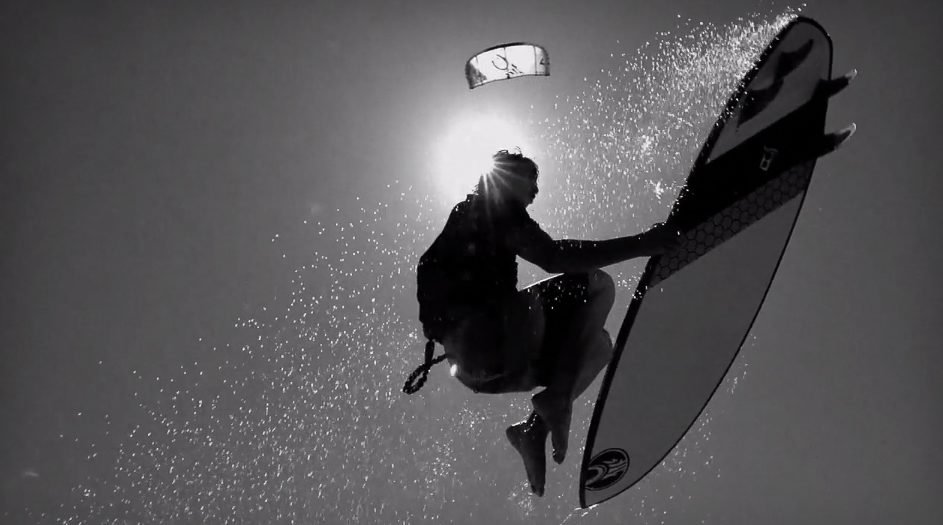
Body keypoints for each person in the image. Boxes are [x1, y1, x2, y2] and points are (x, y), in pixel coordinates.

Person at [404, 150, 683, 496]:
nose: (536, 191)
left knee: (598, 348)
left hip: (482, 372)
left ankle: (533, 431)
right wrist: (643, 244)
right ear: (505, 175)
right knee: (596, 285)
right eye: (531, 179)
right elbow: (554, 256)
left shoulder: (475, 218)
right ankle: (557, 400)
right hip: (484, 336)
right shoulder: (491, 206)